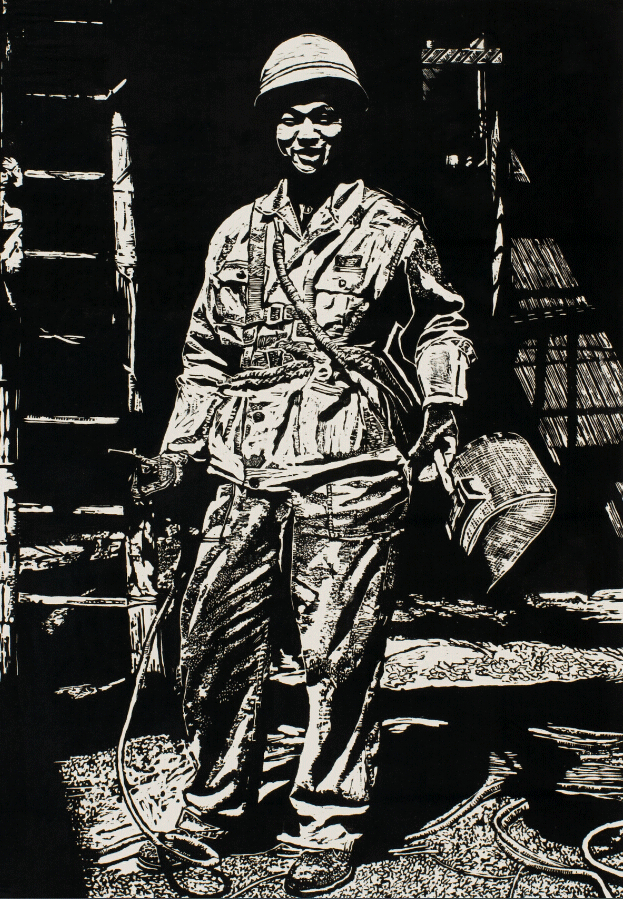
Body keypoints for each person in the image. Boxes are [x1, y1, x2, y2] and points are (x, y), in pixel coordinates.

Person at [135, 34, 475, 897]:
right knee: (216, 643)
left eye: (324, 115)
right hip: (242, 464)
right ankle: (213, 803)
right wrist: (179, 450)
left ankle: (325, 818)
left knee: (335, 653)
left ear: (349, 123)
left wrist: (441, 402)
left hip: (349, 464)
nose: (306, 133)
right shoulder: (237, 233)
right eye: (290, 117)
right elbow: (205, 354)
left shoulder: (391, 227)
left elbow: (441, 321)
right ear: (270, 128)